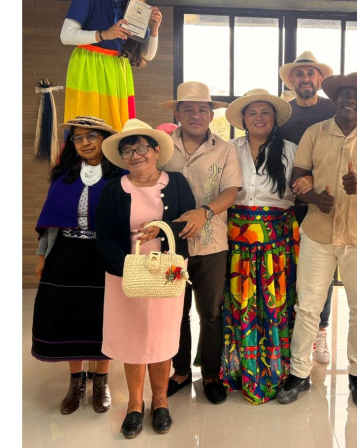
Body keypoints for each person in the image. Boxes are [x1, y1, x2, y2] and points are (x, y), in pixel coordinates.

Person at [276, 72, 357, 407]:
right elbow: (298, 178)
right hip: (318, 233)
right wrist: (315, 198)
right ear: (337, 98)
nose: (350, 100)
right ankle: (299, 373)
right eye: (345, 94)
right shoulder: (315, 133)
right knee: (307, 306)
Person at [95, 119, 197, 438]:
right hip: (126, 272)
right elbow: (104, 234)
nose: (135, 155)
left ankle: (161, 402)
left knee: (162, 336)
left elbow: (187, 223)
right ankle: (135, 405)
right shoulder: (114, 189)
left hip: (167, 270)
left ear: (156, 151)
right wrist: (126, 265)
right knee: (134, 338)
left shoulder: (176, 183)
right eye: (128, 151)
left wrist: (162, 231)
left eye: (141, 148)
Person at [217, 88, 310, 403]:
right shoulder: (229, 150)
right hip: (237, 242)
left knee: (276, 304)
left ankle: (279, 371)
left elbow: (307, 184)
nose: (259, 118)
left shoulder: (292, 151)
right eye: (252, 113)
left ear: (274, 118)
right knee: (239, 303)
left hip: (277, 240)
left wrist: (309, 182)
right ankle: (237, 371)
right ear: (243, 119)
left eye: (265, 112)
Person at [31, 116, 122, 415]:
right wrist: (42, 256)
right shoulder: (64, 176)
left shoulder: (119, 176)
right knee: (69, 317)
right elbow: (50, 223)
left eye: (91, 136)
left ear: (104, 139)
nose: (85, 142)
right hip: (66, 254)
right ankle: (76, 383)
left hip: (104, 253)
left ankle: (101, 382)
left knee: (103, 318)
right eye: (78, 137)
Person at [160, 82, 243, 405]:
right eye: (188, 109)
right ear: (177, 113)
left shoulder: (225, 149)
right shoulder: (162, 146)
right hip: (170, 247)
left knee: (211, 313)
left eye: (202, 109)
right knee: (175, 312)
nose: (196, 115)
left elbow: (231, 191)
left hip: (211, 246)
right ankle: (180, 371)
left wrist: (204, 212)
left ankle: (210, 375)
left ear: (211, 115)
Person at [60, 0, 163, 131]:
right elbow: (66, 36)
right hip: (89, 66)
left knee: (117, 132)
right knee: (88, 129)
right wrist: (103, 35)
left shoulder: (135, 5)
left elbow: (147, 55)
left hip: (118, 71)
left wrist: (154, 29)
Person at [277, 51, 338, 365]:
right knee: (291, 272)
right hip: (289, 205)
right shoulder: (283, 115)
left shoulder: (334, 110)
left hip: (325, 203)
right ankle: (293, 331)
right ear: (291, 80)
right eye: (299, 74)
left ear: (320, 79)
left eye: (310, 73)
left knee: (323, 274)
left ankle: (320, 332)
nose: (305, 79)